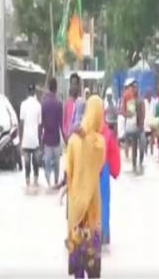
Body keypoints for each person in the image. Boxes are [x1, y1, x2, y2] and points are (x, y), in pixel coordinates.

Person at [65, 95, 105, 278]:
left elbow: (68, 172)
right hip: (92, 208)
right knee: (92, 261)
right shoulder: (100, 143)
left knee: (78, 259)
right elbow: (100, 167)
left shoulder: (73, 140)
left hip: (76, 207)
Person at [100, 116, 121, 249]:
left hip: (88, 172)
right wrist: (114, 171)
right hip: (103, 171)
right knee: (104, 204)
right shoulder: (107, 132)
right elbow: (114, 153)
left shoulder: (84, 131)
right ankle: (104, 236)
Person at [41, 78, 64, 187]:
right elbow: (61, 123)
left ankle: (48, 183)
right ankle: (55, 182)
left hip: (47, 138)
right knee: (57, 164)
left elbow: (41, 123)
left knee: (47, 163)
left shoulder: (44, 103)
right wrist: (65, 138)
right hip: (56, 139)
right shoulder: (58, 103)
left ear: (49, 87)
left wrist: (40, 138)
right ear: (56, 88)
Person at [20, 84, 42, 189]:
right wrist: (40, 140)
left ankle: (28, 183)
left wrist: (20, 140)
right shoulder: (38, 105)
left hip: (26, 140)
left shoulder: (23, 104)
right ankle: (36, 182)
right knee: (36, 163)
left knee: (27, 163)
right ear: (34, 92)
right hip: (35, 140)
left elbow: (21, 123)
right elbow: (40, 124)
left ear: (28, 92)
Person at [123, 80, 145, 173]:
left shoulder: (140, 100)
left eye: (136, 87)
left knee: (142, 145)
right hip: (133, 127)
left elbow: (143, 113)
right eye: (133, 87)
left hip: (140, 127)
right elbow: (126, 113)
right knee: (134, 146)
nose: (135, 89)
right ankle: (134, 165)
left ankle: (140, 161)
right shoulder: (130, 101)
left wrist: (141, 124)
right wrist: (128, 115)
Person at [63, 73, 81, 142]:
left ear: (78, 86)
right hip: (69, 140)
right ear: (70, 85)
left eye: (76, 84)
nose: (74, 86)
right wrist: (66, 136)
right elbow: (63, 123)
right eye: (72, 84)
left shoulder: (81, 103)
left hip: (79, 141)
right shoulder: (67, 104)